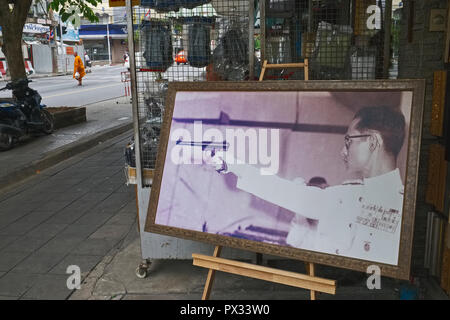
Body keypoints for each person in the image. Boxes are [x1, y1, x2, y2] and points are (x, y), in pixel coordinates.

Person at [209, 106, 406, 265]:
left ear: (372, 142)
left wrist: (233, 164)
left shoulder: (400, 207)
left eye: (348, 141)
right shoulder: (352, 194)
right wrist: (232, 164)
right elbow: (293, 195)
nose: (343, 151)